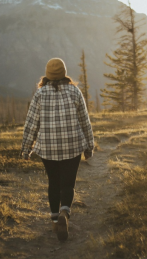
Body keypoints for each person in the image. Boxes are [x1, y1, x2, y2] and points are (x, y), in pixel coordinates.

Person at [21, 58, 94, 241]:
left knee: (53, 183)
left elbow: (31, 124)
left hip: (48, 147)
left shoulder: (40, 94)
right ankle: (64, 213)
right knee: (68, 184)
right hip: (72, 145)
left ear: (47, 74)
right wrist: (89, 146)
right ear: (64, 73)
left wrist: (26, 149)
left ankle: (55, 221)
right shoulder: (74, 91)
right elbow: (85, 121)